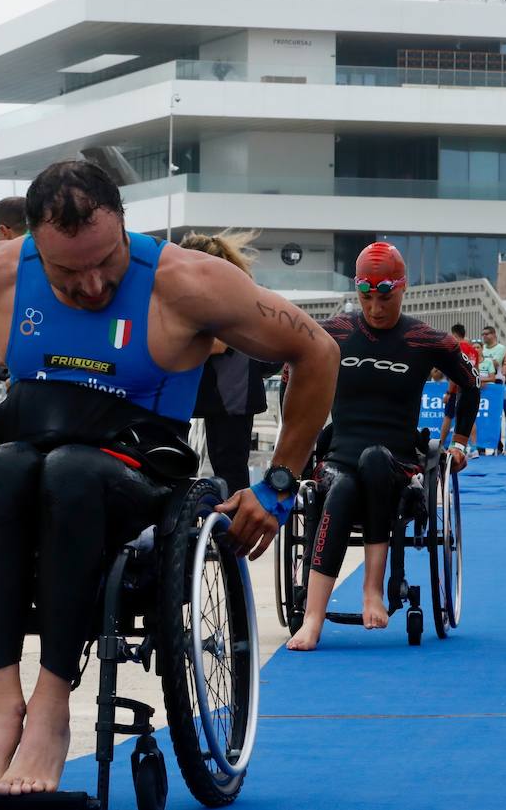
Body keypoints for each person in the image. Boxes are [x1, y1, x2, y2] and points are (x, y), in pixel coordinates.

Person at [0, 159, 337, 795]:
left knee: (71, 473)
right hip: (26, 455)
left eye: (106, 262)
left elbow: (317, 351)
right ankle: (4, 706)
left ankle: (53, 708)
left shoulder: (188, 282)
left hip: (133, 471)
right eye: (67, 272)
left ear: (123, 228)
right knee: (1, 468)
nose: (92, 286)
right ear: (31, 244)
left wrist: (278, 485)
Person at [287, 242, 480, 652]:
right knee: (341, 486)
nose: (375, 307)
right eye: (367, 297)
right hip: (338, 461)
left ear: (403, 287)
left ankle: (372, 590)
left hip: (397, 466)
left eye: (385, 297)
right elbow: (292, 368)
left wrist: (459, 442)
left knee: (375, 461)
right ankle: (313, 618)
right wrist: (297, 441)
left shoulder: (422, 339)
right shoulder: (335, 332)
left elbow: (471, 381)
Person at [181, 229, 279, 494]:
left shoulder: (231, 289)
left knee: (231, 470)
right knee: (174, 456)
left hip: (233, 388)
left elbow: (217, 343)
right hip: (206, 384)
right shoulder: (190, 290)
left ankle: (234, 532)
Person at [437, 324, 481, 446]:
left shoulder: (456, 347)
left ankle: (440, 445)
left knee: (448, 416)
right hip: (472, 389)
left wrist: (449, 392)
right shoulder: (473, 350)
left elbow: (454, 373)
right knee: (469, 418)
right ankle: (473, 447)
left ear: (454, 334)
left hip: (458, 389)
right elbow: (476, 371)